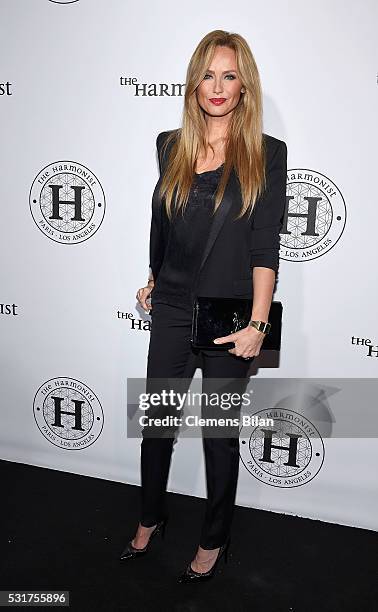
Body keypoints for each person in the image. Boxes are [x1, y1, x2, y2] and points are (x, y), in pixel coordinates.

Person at [120, 29, 287, 583]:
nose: (217, 86)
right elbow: (165, 220)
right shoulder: (171, 144)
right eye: (208, 74)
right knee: (157, 425)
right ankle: (150, 518)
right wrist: (153, 274)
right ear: (194, 82)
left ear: (245, 86)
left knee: (218, 434)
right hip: (169, 308)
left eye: (229, 75)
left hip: (227, 319)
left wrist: (259, 323)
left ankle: (213, 537)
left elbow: (265, 246)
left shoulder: (267, 153)